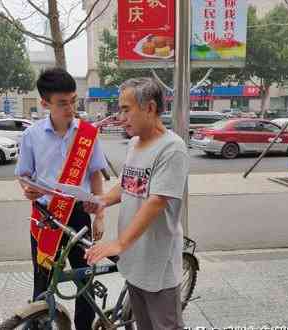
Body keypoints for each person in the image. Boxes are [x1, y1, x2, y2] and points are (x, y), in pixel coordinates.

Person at [84, 78, 189, 330]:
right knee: (143, 324)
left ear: (150, 108)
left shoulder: (172, 148)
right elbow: (129, 184)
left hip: (157, 261)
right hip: (134, 257)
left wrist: (119, 243)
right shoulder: (134, 143)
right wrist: (102, 201)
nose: (120, 116)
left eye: (126, 109)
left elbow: (156, 202)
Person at [15, 68, 108, 330]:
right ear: (45, 103)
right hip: (45, 219)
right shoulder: (31, 136)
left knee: (84, 280)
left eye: (73, 101)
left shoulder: (87, 134)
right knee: (42, 283)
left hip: (79, 217)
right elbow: (23, 175)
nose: (70, 109)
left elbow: (96, 175)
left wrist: (99, 216)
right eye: (62, 103)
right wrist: (27, 189)